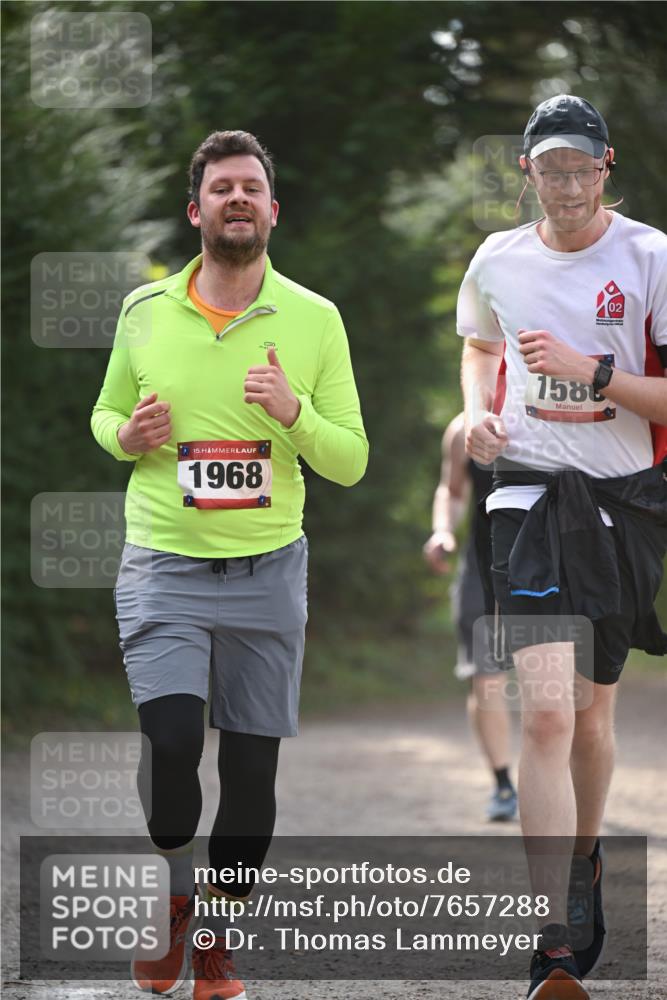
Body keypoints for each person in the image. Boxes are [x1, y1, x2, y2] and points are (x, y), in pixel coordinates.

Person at [91, 130, 368, 1000]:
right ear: (196, 210)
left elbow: (350, 459)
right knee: (172, 742)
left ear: (272, 211)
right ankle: (175, 900)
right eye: (221, 188)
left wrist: (293, 414)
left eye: (251, 187)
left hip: (267, 571)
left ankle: (213, 936)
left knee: (250, 775)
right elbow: (104, 414)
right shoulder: (144, 310)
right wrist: (125, 435)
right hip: (163, 565)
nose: (237, 198)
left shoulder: (314, 318)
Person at [457, 94, 667, 999]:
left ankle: (583, 864)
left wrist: (592, 373)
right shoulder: (497, 258)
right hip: (527, 497)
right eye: (551, 169)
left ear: (605, 166)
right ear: (527, 172)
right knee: (544, 713)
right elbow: (478, 347)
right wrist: (476, 411)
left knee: (589, 716)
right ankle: (549, 939)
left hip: (625, 505)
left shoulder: (651, 257)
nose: (568, 184)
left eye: (581, 168)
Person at [423, 412, 517, 822]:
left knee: (552, 684)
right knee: (487, 678)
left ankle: (559, 777)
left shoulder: (551, 415)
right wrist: (443, 530)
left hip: (548, 565)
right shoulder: (463, 428)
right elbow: (452, 490)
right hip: (483, 567)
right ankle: (503, 783)